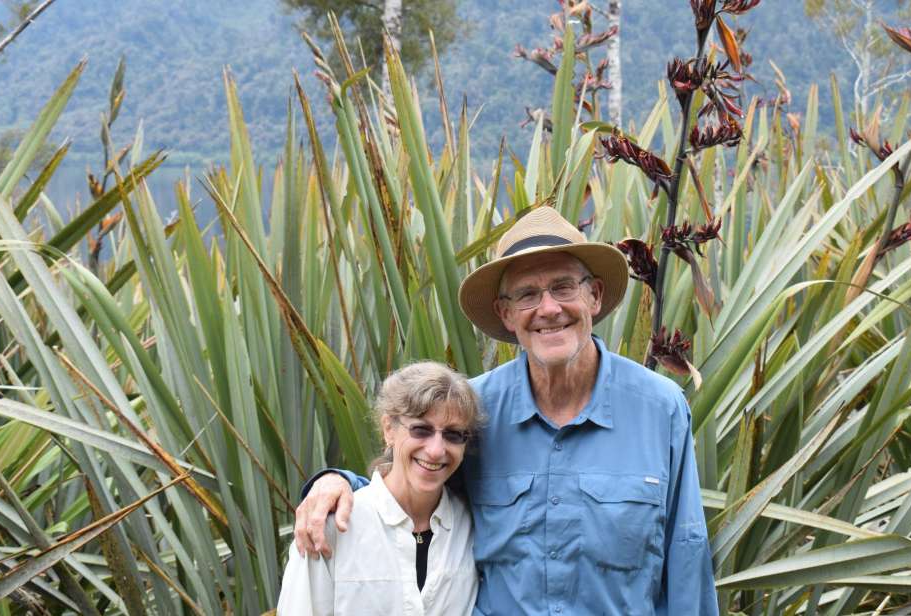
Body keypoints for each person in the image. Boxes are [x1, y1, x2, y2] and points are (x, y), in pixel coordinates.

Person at [295, 206, 719, 614]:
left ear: (594, 296)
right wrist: (336, 483)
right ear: (506, 314)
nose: (548, 308)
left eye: (563, 287)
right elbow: (413, 482)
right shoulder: (471, 413)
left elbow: (686, 557)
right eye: (527, 294)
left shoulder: (659, 409)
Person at [278, 362, 484, 615]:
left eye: (453, 435)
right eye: (421, 429)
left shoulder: (471, 526)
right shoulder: (329, 526)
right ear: (389, 429)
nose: (436, 450)